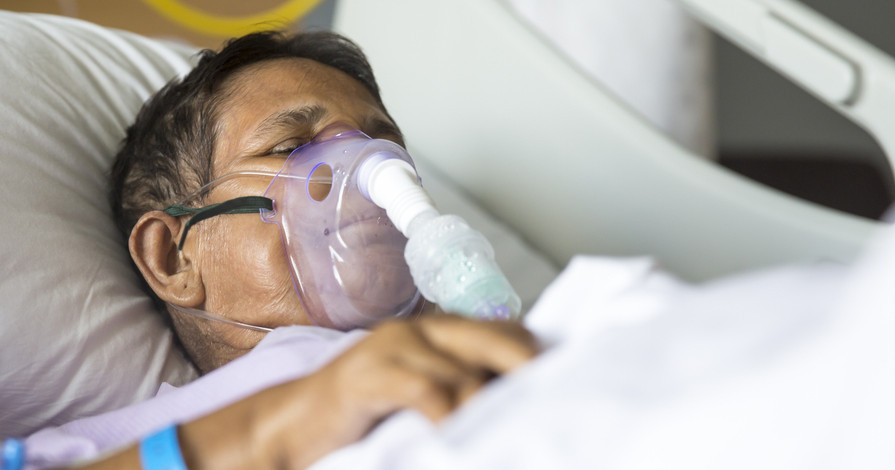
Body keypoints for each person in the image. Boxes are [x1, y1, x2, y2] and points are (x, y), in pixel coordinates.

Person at [58, 30, 538, 470]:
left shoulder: (518, 335)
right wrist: (268, 432)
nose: (365, 168)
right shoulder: (117, 447)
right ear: (174, 258)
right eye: (288, 147)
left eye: (382, 144)